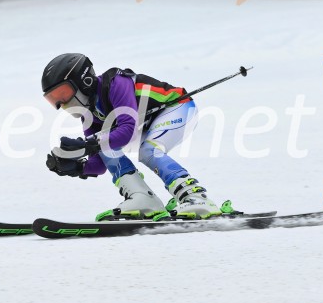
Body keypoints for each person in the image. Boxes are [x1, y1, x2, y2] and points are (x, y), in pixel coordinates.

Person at [42, 52, 222, 220]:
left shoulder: (115, 83)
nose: (61, 104)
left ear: (84, 81)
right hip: (148, 121)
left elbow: (127, 130)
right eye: (53, 100)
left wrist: (87, 144)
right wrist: (76, 167)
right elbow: (99, 163)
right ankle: (143, 199)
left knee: (148, 150)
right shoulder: (89, 114)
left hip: (177, 106)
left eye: (62, 93)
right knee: (106, 145)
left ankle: (196, 197)